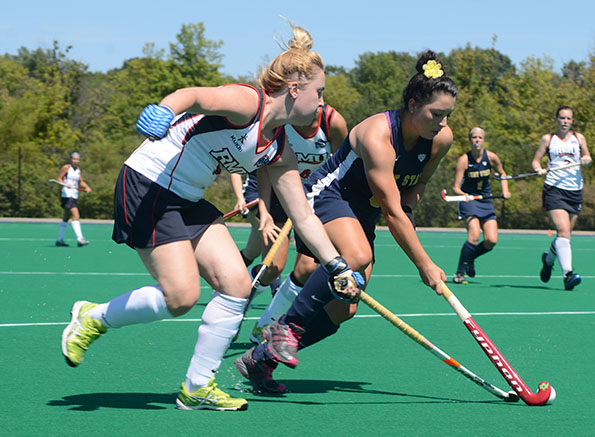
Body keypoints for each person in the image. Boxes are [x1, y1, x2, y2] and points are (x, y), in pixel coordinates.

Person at [60, 21, 363, 412]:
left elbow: (302, 214)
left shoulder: (280, 146)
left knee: (237, 284)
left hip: (187, 197)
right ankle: (93, 317)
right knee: (181, 297)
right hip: (149, 185)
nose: (322, 103)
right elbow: (194, 95)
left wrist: (335, 264)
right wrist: (164, 109)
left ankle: (197, 387)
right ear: (295, 90)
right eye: (319, 93)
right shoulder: (247, 102)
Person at [234, 50, 457, 395]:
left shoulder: (440, 139)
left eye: (447, 115)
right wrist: (424, 264)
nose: (442, 123)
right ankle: (287, 328)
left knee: (344, 307)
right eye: (436, 114)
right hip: (327, 197)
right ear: (412, 105)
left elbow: (419, 183)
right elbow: (392, 211)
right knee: (356, 257)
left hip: (360, 214)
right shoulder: (377, 136)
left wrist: (413, 200)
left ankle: (260, 359)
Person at [230, 104, 348, 308]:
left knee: (307, 269)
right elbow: (265, 168)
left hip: (314, 196)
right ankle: (235, 299)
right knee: (273, 267)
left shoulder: (332, 123)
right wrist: (265, 212)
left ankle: (269, 324)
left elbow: (341, 167)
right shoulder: (281, 124)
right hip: (277, 193)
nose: (317, 101)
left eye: (320, 92)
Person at [532, 105, 592, 291]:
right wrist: (538, 169)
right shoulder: (548, 139)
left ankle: (549, 260)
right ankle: (568, 275)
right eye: (562, 118)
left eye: (568, 118)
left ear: (572, 121)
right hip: (554, 189)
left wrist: (587, 159)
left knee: (564, 236)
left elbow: (587, 155)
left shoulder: (578, 138)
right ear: (556, 119)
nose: (565, 121)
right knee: (564, 232)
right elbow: (536, 160)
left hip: (575, 191)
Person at [451, 127, 511, 284]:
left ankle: (470, 258)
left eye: (480, 137)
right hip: (469, 201)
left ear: (484, 140)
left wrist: (505, 191)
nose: (477, 140)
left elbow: (502, 174)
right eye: (474, 137)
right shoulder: (464, 160)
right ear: (470, 140)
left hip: (485, 200)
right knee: (474, 235)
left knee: (491, 240)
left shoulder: (491, 157)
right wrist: (463, 195)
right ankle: (459, 273)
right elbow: (456, 187)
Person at [55, 152, 92, 247]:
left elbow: (81, 182)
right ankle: (80, 239)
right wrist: (65, 184)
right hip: (67, 195)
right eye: (74, 159)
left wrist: (87, 187)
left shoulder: (78, 170)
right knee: (76, 216)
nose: (76, 161)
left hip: (74, 195)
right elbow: (59, 179)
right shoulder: (66, 168)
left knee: (66, 218)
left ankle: (59, 240)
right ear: (71, 159)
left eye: (77, 159)